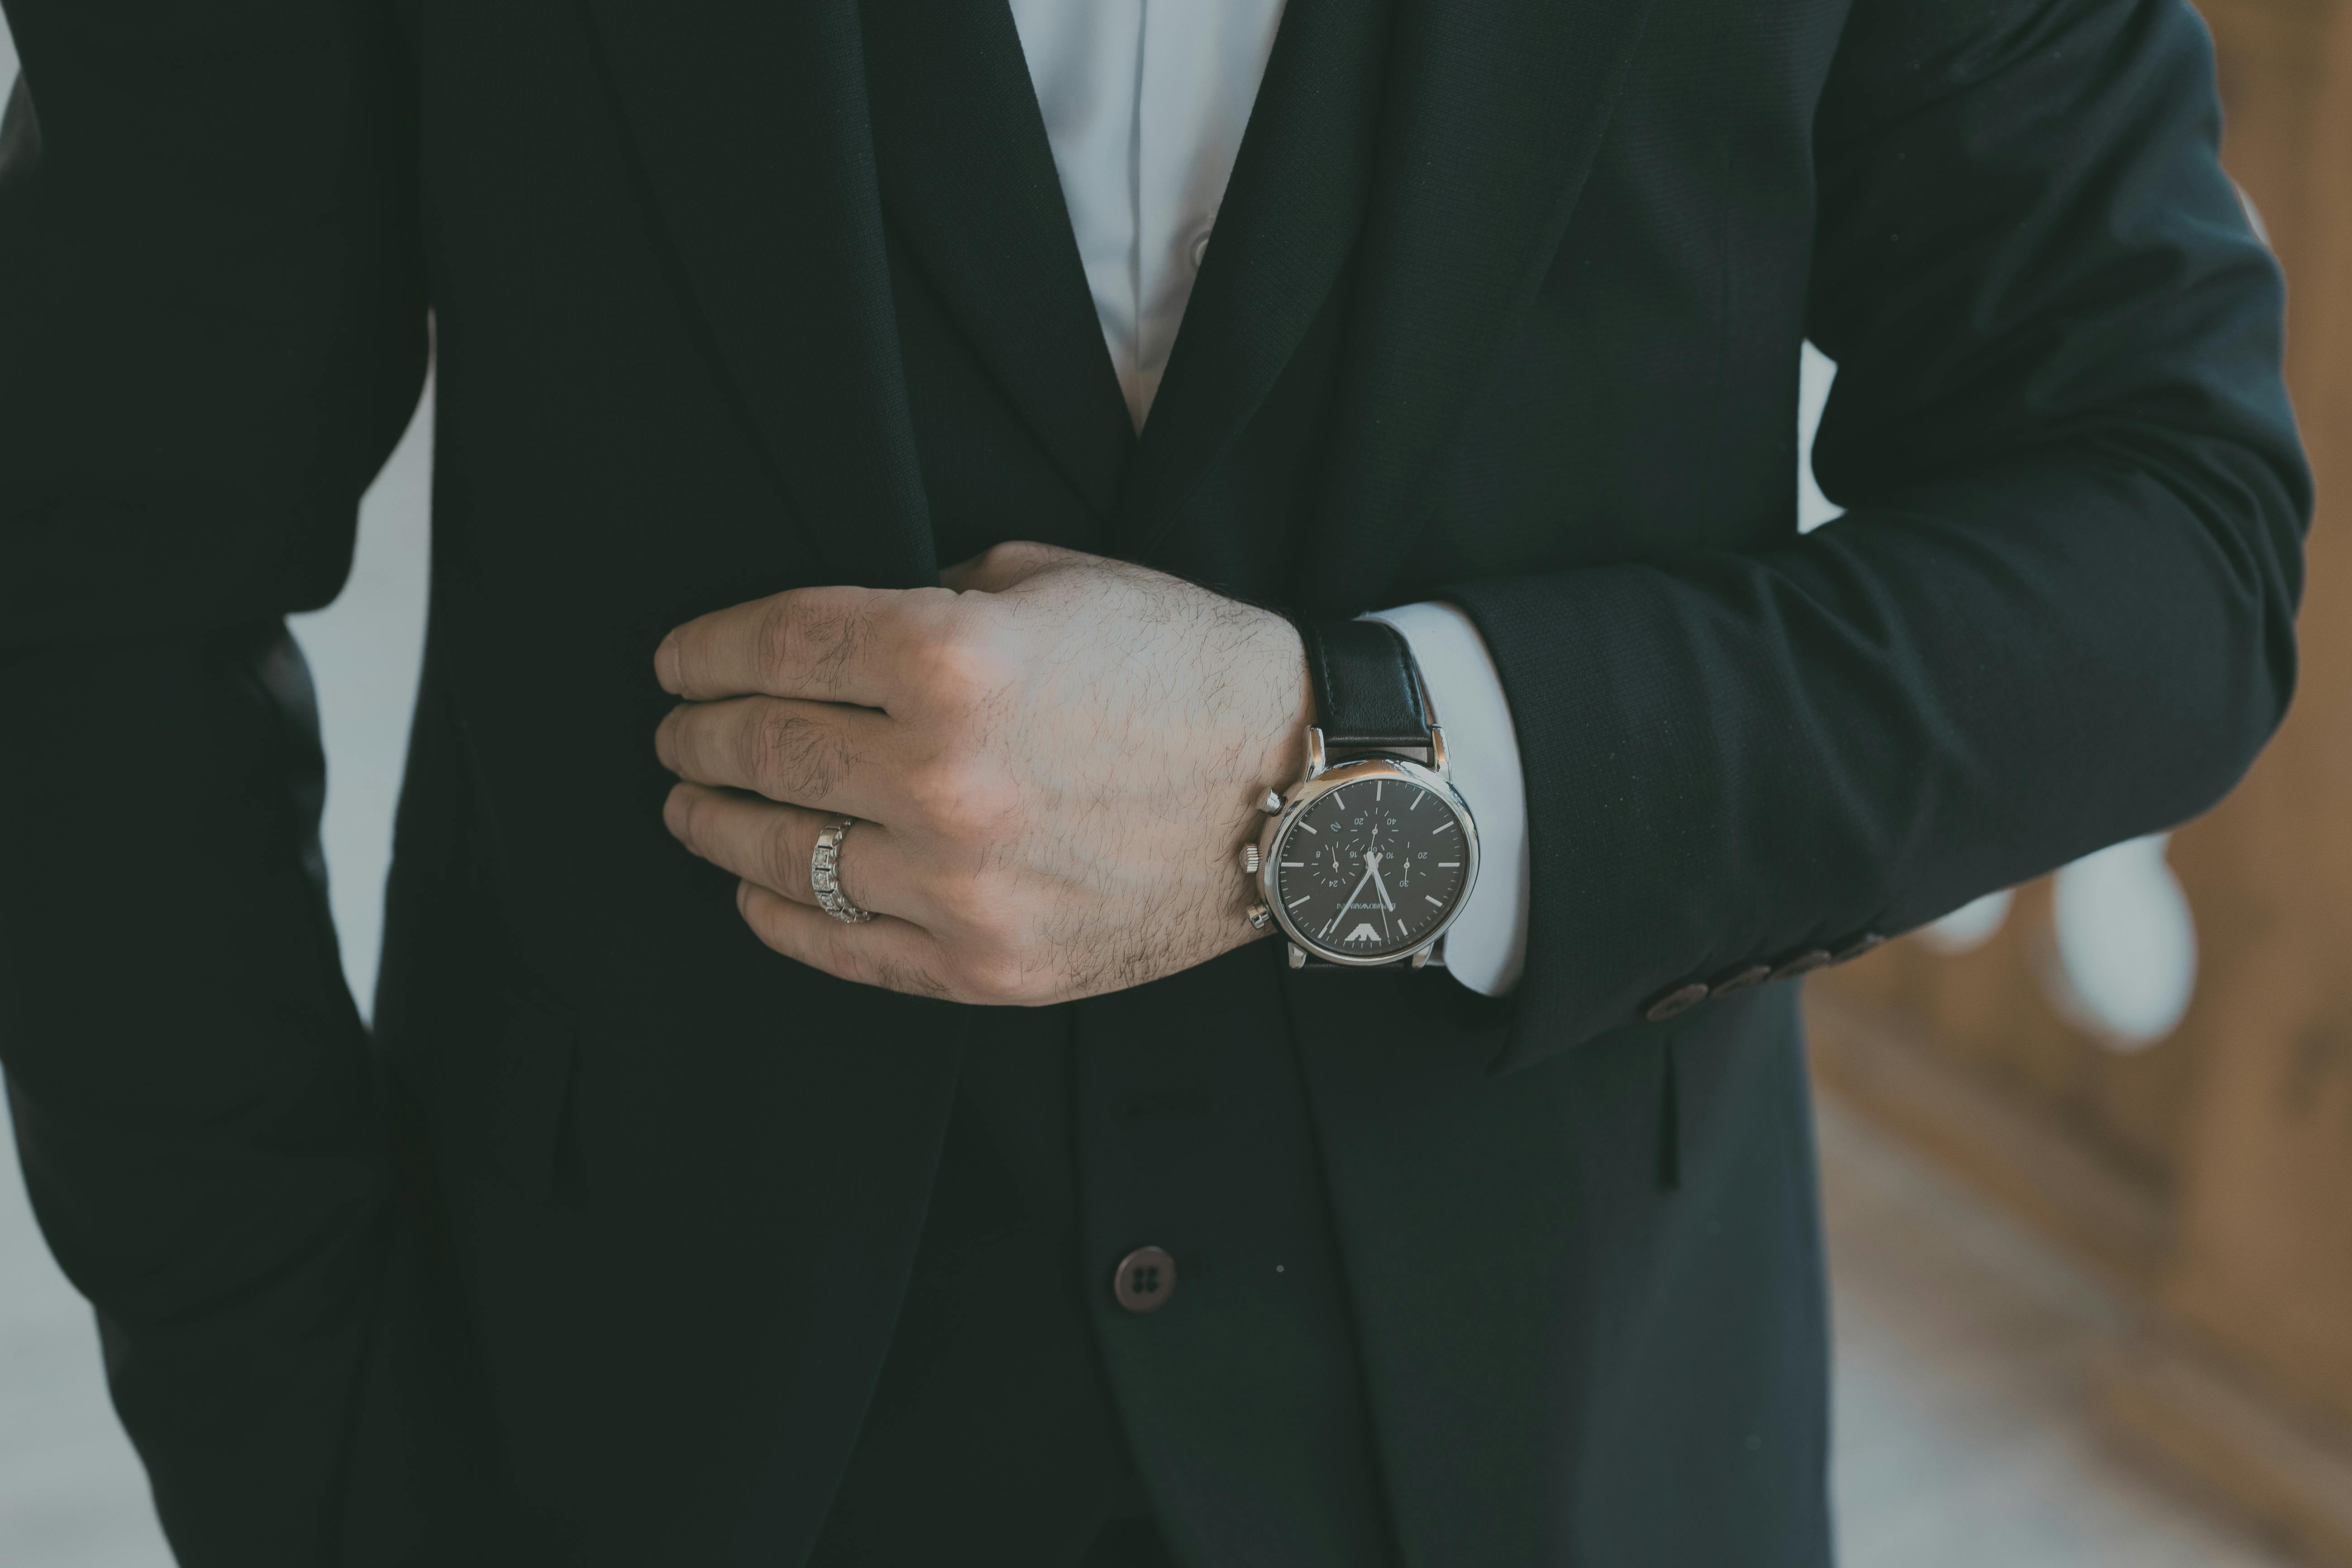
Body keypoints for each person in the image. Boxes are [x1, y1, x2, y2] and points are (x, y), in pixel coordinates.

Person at [0, 0, 2308, 1562]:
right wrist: (292, 1450)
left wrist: (1344, 773)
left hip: (1574, 1438)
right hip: (621, 1426)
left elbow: (2161, 539)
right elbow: (87, 589)